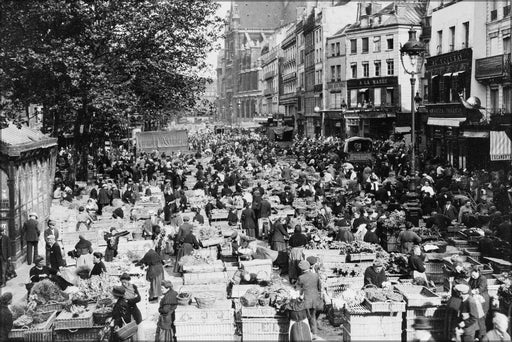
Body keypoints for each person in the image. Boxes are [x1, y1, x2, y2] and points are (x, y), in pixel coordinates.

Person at [296, 260, 323, 340]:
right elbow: (319, 287)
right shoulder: (315, 275)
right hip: (316, 298)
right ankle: (315, 327)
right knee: (313, 314)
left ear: (301, 269)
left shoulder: (301, 278)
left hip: (307, 300)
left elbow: (298, 290)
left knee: (311, 316)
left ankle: (314, 333)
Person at [468, 265, 490, 339]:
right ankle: (477, 335)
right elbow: (469, 286)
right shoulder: (472, 278)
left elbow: (480, 289)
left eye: (473, 274)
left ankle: (482, 335)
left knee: (482, 317)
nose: (472, 276)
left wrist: (471, 292)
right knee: (475, 317)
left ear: (477, 272)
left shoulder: (483, 278)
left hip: (483, 299)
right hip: (475, 300)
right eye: (471, 275)